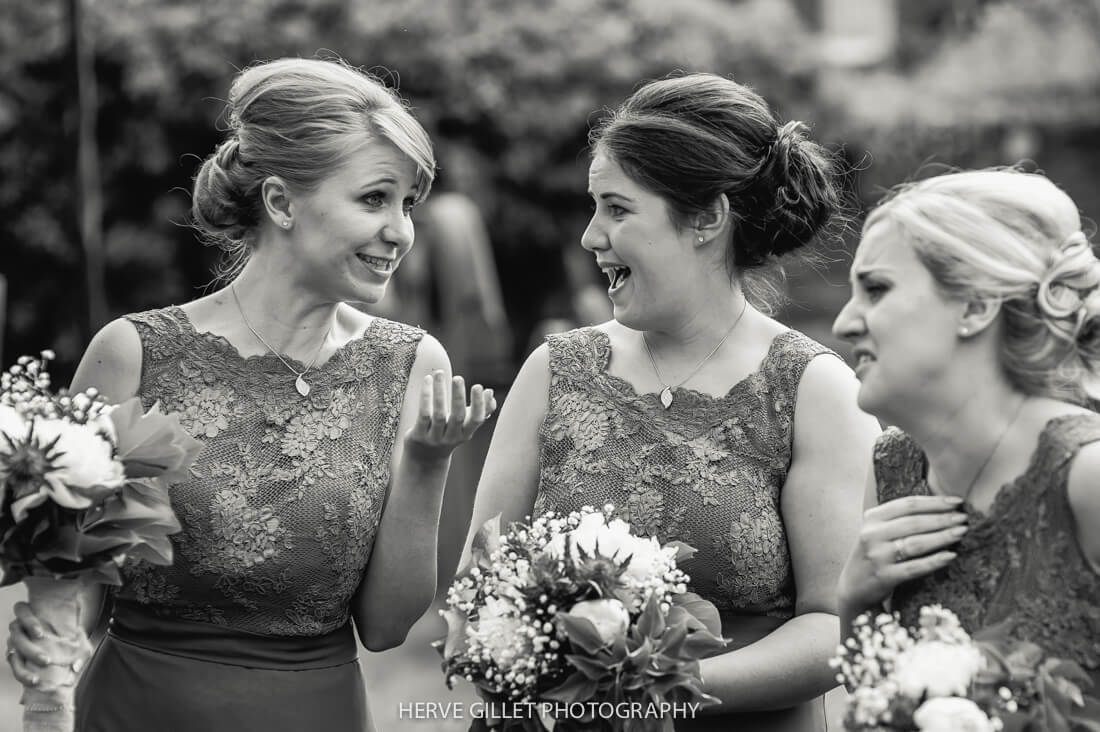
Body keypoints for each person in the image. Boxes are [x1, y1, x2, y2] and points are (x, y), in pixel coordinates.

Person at [4, 57, 496, 731]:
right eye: (374, 199)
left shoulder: (411, 365)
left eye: (407, 204)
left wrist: (426, 462)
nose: (400, 232)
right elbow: (75, 604)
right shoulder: (133, 354)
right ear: (282, 202)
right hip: (136, 712)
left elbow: (384, 628)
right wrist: (44, 646)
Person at [460, 73, 881, 731]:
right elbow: (475, 594)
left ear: (708, 218)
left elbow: (834, 629)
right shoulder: (554, 371)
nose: (590, 237)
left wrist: (650, 683)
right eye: (593, 207)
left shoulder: (814, 390)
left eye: (618, 209)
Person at [832, 169, 1100, 690]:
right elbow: (875, 701)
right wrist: (855, 599)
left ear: (976, 306)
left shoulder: (1087, 476)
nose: (845, 322)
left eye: (876, 289)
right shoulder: (891, 467)